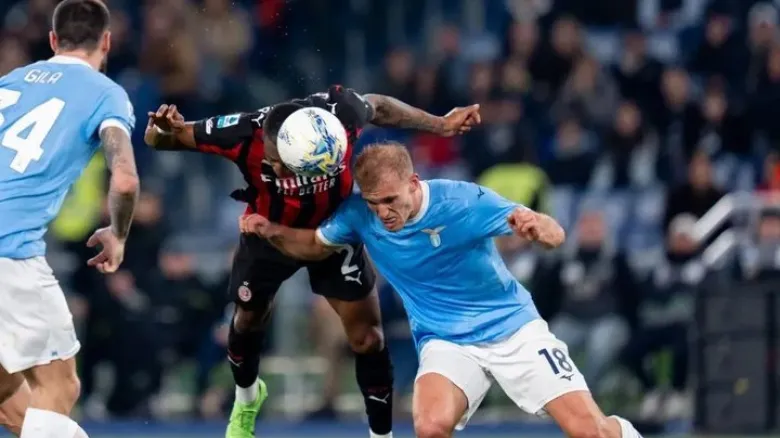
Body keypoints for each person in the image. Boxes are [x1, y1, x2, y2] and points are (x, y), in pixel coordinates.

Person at [240, 143, 644, 438]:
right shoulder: (359, 216)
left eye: (391, 200)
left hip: (513, 330)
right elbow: (313, 245)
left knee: (589, 432)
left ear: (414, 183)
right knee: (431, 426)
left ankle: (622, 432)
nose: (384, 213)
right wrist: (270, 230)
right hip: (444, 339)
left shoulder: (464, 201)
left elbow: (555, 234)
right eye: (375, 203)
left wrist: (539, 228)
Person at [143, 88, 479, 438]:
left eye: (284, 165)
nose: (275, 168)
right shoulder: (239, 132)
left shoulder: (339, 114)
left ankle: (382, 435)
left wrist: (440, 124)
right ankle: (247, 399)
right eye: (271, 161)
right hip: (267, 234)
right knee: (246, 322)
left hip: (333, 233)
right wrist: (160, 129)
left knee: (368, 338)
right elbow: (161, 140)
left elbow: (378, 106)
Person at [0, 0, 139, 436]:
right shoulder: (106, 94)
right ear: (107, 42)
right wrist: (118, 234)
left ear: (52, 40)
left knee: (6, 388)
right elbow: (125, 181)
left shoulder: (9, 83)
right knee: (59, 385)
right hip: (9, 252)